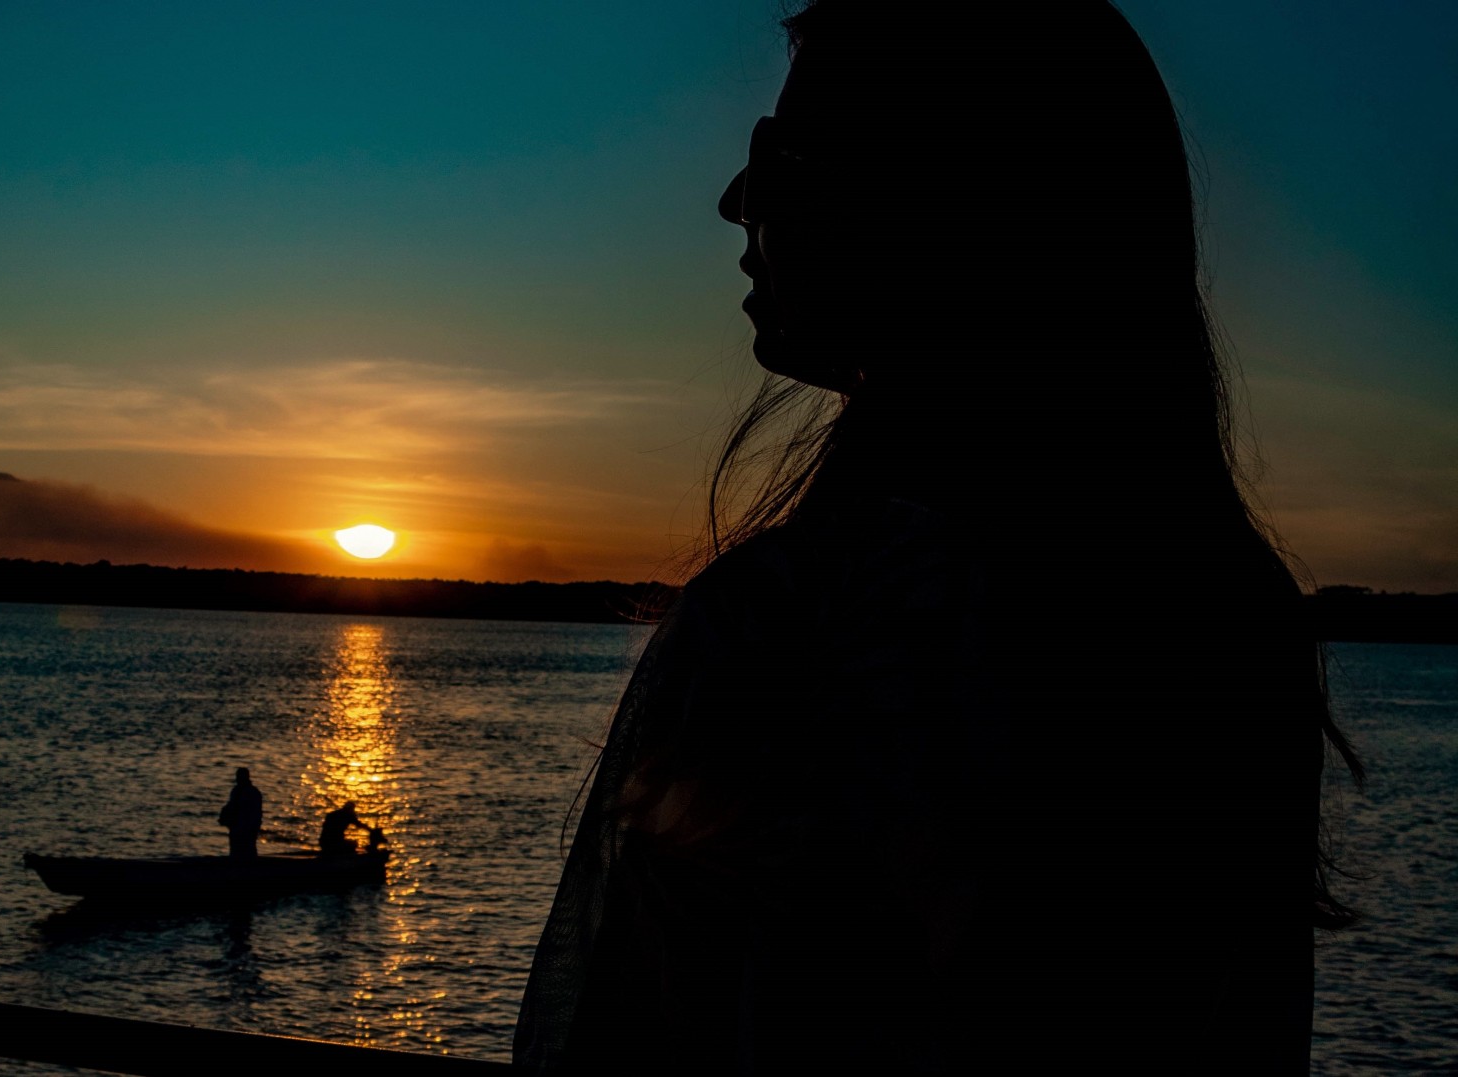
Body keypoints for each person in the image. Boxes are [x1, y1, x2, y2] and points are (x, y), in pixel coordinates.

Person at [514, 2, 1361, 1073]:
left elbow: (618, 1047)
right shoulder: (1224, 621)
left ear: (935, 206)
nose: (737, 199)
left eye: (787, 157)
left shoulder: (795, 626)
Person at [218, 767, 263, 861]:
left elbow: (233, 807)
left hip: (241, 827)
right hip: (247, 827)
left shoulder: (239, 791)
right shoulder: (254, 792)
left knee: (239, 852)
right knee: (248, 851)